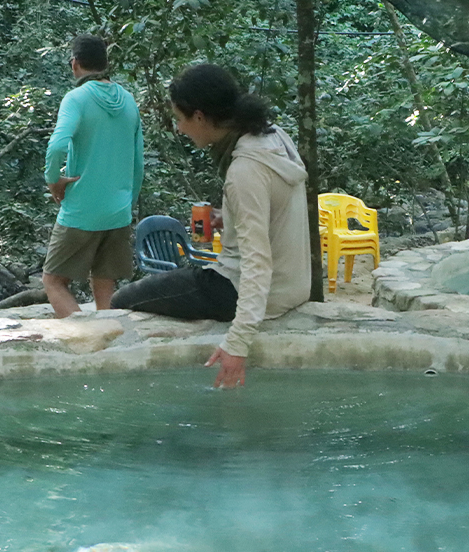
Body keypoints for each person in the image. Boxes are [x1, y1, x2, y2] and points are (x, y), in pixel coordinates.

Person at [111, 64, 311, 388]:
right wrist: (229, 217)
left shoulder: (245, 171)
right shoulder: (273, 138)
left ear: (200, 116)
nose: (180, 128)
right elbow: (275, 209)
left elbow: (257, 263)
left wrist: (238, 343)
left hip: (243, 288)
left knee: (122, 299)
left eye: (180, 119)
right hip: (294, 285)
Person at [42, 34, 144, 317]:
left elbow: (57, 145)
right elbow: (138, 163)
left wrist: (53, 179)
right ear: (105, 64)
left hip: (82, 210)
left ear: (75, 63)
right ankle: (108, 337)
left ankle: (85, 336)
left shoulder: (76, 98)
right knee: (104, 280)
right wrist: (128, 204)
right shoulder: (129, 100)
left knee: (53, 281)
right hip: (119, 210)